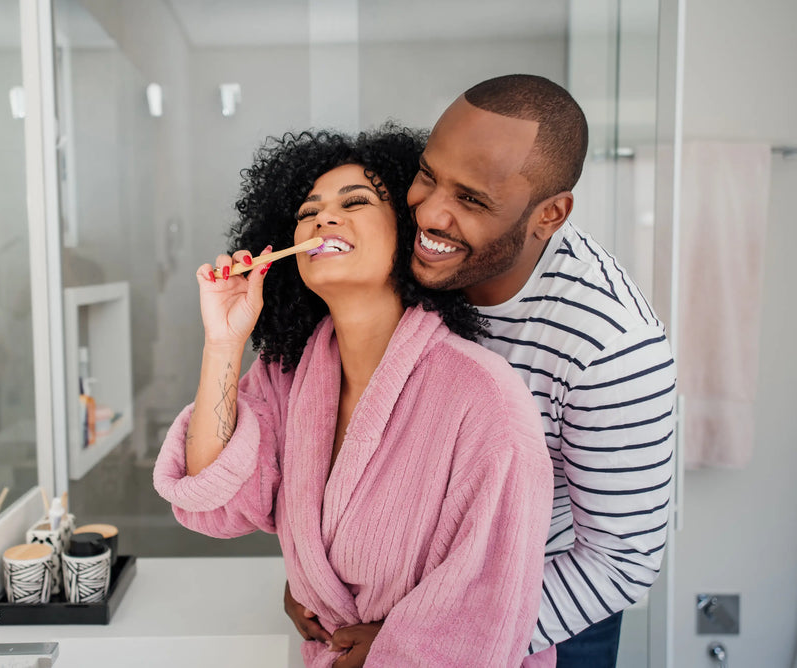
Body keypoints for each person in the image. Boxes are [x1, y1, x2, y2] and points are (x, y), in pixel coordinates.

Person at [284, 75, 677, 668]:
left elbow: (621, 562)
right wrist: (318, 572)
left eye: (471, 200)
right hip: (386, 599)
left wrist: (421, 643)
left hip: (543, 618)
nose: (430, 213)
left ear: (549, 215)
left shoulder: (612, 348)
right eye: (427, 175)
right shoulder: (416, 256)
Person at [153, 125, 554, 667]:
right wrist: (224, 343)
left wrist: (392, 650)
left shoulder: (484, 397)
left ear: (409, 232)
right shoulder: (287, 376)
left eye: (356, 201)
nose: (322, 218)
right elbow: (220, 502)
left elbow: (487, 602)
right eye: (307, 211)